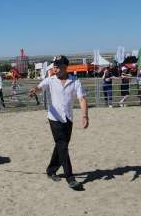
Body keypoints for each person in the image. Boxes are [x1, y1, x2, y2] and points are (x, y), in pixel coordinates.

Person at [29, 55, 88, 191]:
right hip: (54, 118)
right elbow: (39, 87)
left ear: (65, 67)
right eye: (54, 65)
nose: (55, 67)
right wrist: (34, 91)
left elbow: (82, 99)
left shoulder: (75, 81)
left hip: (68, 118)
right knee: (62, 145)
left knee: (61, 146)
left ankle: (51, 170)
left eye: (58, 65)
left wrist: (85, 116)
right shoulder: (50, 80)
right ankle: (70, 177)